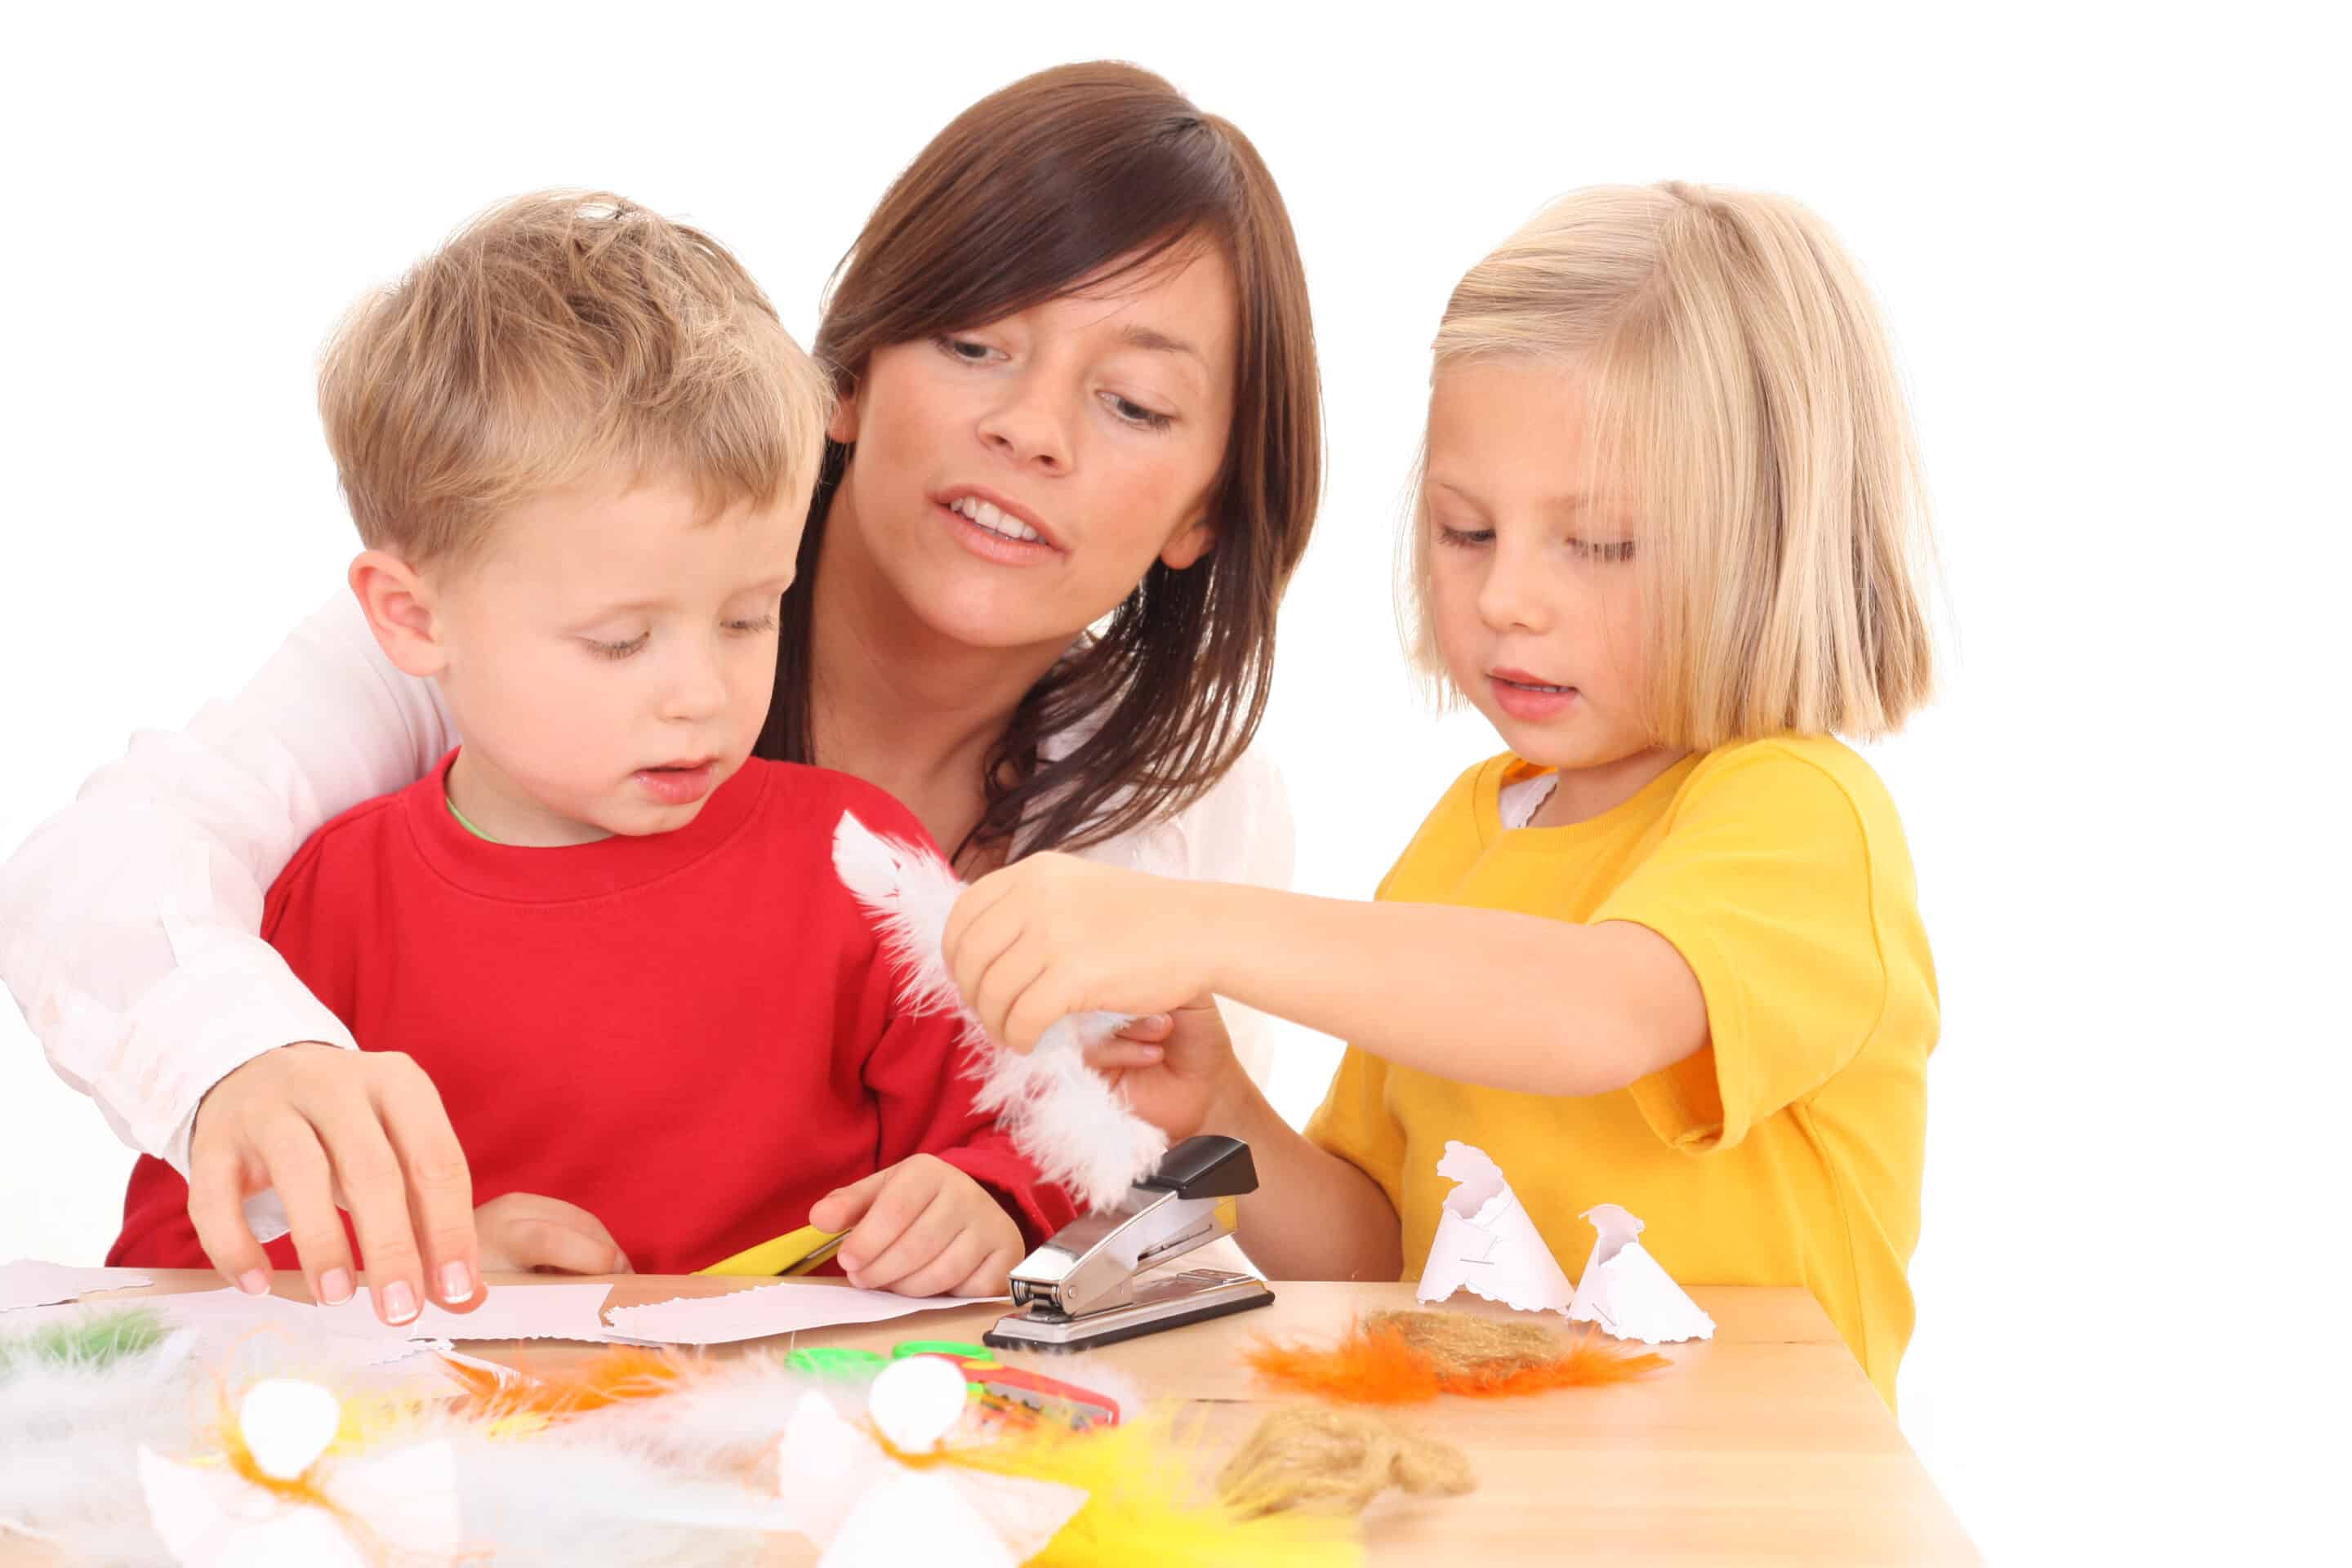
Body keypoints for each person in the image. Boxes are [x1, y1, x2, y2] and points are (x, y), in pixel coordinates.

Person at [2, 62, 1319, 1324]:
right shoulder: (505, 613)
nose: (1035, 429)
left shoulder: (1162, 812)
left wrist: (988, 1201)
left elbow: (1108, 1198)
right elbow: (121, 873)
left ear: (1212, 501)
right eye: (975, 342)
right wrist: (277, 1092)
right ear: (845, 380)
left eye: (1138, 402)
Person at [945, 182, 1940, 1407]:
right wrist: (1223, 1105)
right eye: (1466, 532)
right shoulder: (1472, 830)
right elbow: (1379, 1254)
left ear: (1772, 542)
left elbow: (1598, 1017)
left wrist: (1192, 925)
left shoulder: (1797, 813)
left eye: (1600, 544)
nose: (1507, 596)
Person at [105, 189, 1069, 1313]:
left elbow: (1032, 1130)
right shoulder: (329, 904)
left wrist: (982, 1202)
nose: (702, 695)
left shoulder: (859, 862)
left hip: (803, 1460)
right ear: (415, 620)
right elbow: (174, 1264)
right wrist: (433, 1255)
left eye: (753, 616)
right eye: (620, 641)